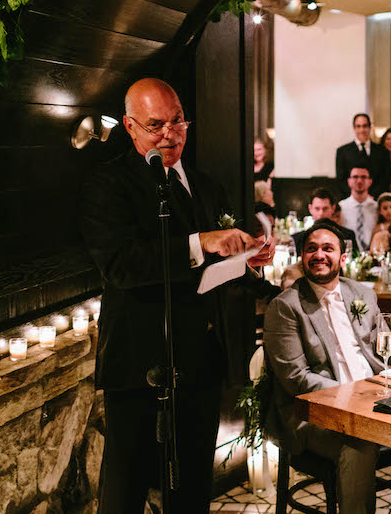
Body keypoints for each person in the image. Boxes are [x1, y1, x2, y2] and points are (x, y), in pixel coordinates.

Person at [79, 78, 274, 513]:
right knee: (125, 491)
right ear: (130, 127)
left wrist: (248, 262)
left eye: (178, 121)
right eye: (155, 126)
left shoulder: (205, 185)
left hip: (200, 361)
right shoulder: (108, 185)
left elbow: (214, 272)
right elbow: (123, 266)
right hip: (138, 364)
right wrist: (199, 242)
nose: (170, 134)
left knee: (191, 492)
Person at [263, 220, 391, 514]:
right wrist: (357, 397)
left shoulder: (361, 293)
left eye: (327, 249)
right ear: (302, 257)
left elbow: (387, 343)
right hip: (313, 417)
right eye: (311, 249)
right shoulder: (285, 306)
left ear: (343, 258)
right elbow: (297, 379)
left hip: (373, 404)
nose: (319, 254)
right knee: (360, 443)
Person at [335, 113, 390, 198]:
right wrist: (356, 197)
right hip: (351, 200)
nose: (362, 130)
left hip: (376, 200)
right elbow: (341, 180)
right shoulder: (342, 151)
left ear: (369, 127)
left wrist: (370, 196)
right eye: (358, 126)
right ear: (354, 128)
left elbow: (386, 178)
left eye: (365, 126)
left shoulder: (382, 151)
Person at [293, 188, 358, 255]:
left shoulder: (347, 235)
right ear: (310, 209)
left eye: (325, 209)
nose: (321, 213)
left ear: (333, 208)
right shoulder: (298, 239)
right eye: (317, 209)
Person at [338, 166, 378, 253]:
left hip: (373, 254)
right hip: (347, 254)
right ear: (349, 181)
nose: (359, 181)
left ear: (370, 181)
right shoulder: (340, 207)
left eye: (363, 177)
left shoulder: (377, 208)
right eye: (355, 177)